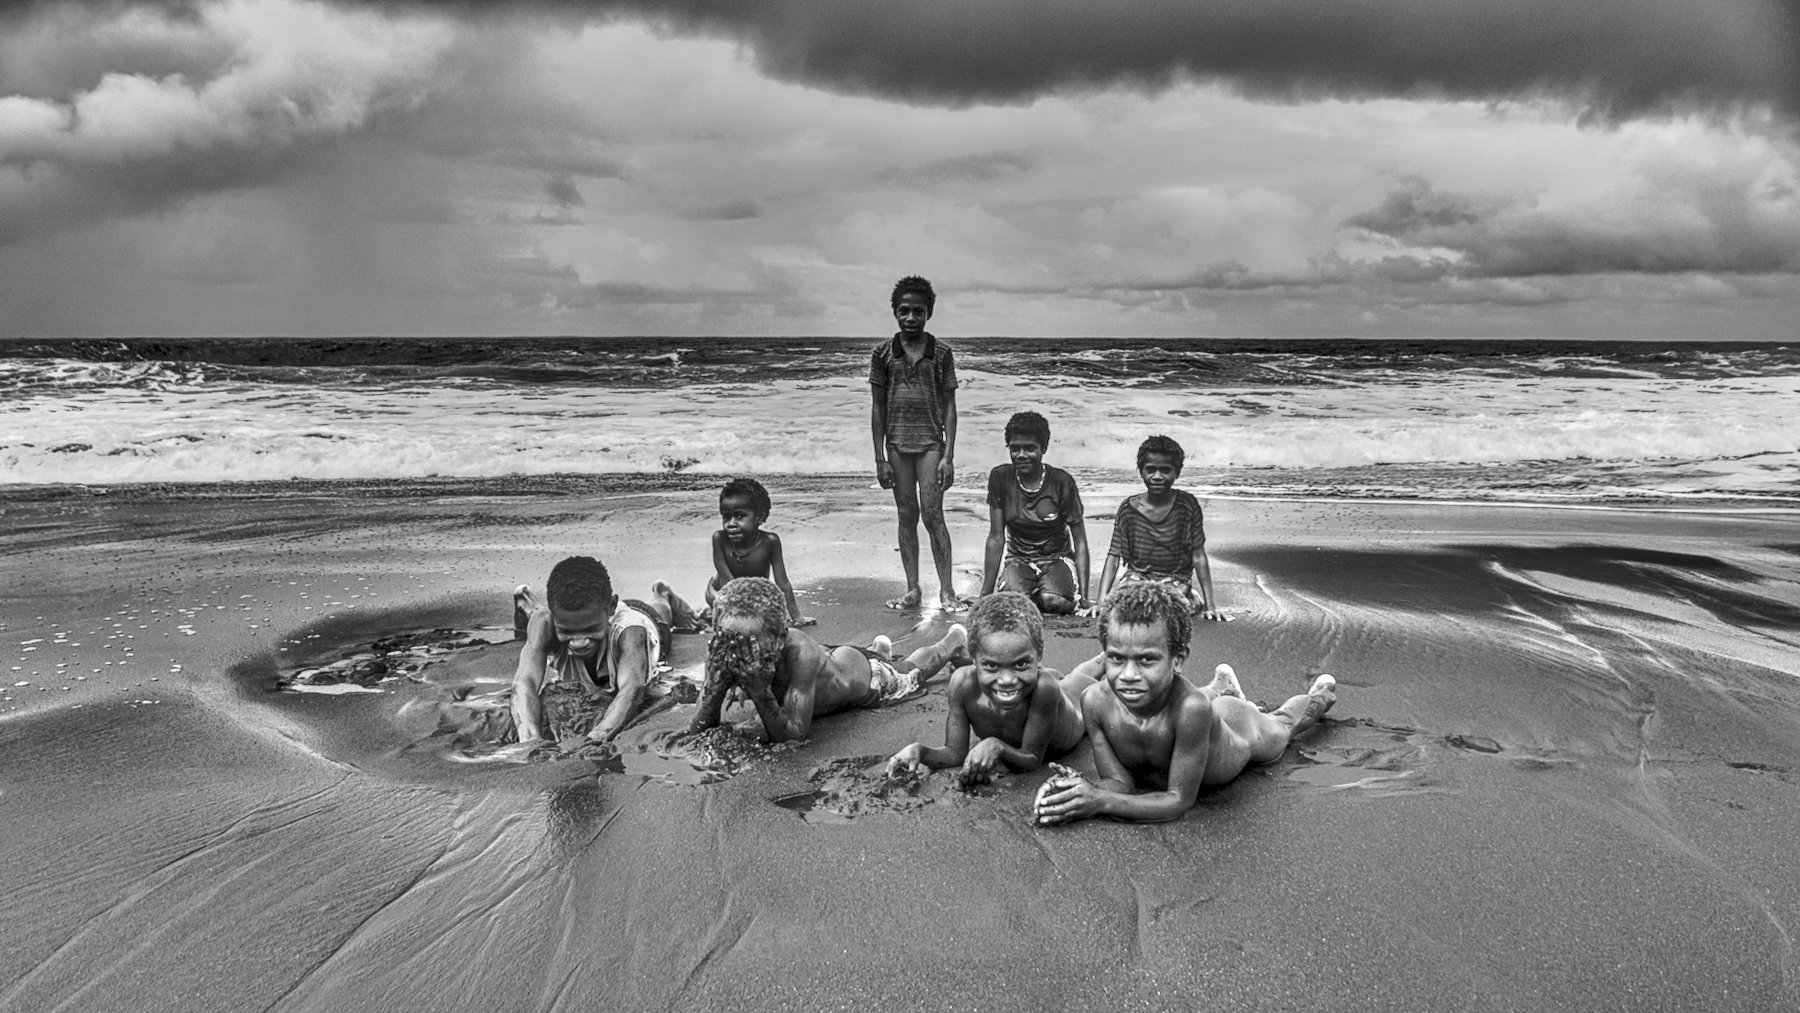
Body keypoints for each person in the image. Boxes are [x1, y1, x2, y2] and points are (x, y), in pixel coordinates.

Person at [1034, 582, 1336, 825]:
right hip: (1181, 709)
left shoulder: (1192, 709)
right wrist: (1079, 790)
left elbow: (1177, 800)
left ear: (1178, 660)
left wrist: (1100, 801)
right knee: (1172, 698)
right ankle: (1220, 686)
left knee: (1282, 726)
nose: (1128, 675)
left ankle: (1320, 695)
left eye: (1147, 660)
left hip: (1240, 730)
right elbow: (1118, 782)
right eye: (1116, 658)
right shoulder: (1095, 702)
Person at [689, 577, 968, 742]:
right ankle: (879, 649)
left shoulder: (802, 656)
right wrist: (714, 684)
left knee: (910, 672)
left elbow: (795, 734)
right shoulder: (725, 648)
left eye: (753, 648)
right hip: (836, 658)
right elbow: (701, 728)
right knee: (869, 659)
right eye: (731, 643)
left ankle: (952, 642)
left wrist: (760, 693)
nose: (740, 654)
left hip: (866, 680)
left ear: (779, 638)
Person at [886, 591, 1096, 785]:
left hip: (1077, 702)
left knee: (1077, 680)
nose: (1006, 679)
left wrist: (997, 746)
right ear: (974, 660)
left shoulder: (1044, 688)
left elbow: (1032, 760)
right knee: (1062, 677)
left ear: (1038, 656)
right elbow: (954, 753)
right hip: (1035, 683)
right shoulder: (962, 684)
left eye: (1021, 663)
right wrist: (920, 751)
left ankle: (1101, 660)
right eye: (992, 666)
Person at [508, 555, 699, 745]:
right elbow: (524, 682)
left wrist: (595, 738)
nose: (579, 642)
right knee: (538, 618)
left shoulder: (632, 632)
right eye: (567, 632)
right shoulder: (546, 621)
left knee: (661, 615)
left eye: (590, 630)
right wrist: (529, 738)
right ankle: (527, 604)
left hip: (645, 617)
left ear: (611, 607)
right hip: (580, 611)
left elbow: (633, 687)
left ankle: (662, 592)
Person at [870, 274, 963, 613]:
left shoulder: (941, 353)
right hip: (896, 446)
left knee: (933, 515)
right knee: (906, 514)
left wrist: (948, 456)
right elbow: (878, 408)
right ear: (895, 312)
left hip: (930, 446)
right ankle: (912, 589)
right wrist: (879, 458)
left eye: (918, 311)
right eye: (904, 311)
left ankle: (948, 591)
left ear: (929, 314)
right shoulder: (882, 354)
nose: (911, 318)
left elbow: (950, 407)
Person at [1092, 434, 1221, 621]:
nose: (1157, 477)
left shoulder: (1187, 506)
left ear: (1176, 472)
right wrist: (1100, 602)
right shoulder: (1128, 509)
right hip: (1138, 577)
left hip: (1175, 578)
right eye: (1150, 470)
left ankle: (1191, 596)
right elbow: (1113, 557)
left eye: (1165, 470)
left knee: (1166, 611)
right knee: (1121, 607)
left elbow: (1198, 556)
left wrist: (1211, 607)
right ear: (1141, 471)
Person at [979, 410, 1090, 614]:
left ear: (1043, 448)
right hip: (1018, 559)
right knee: (1014, 605)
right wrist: (985, 595)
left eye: (1030, 448)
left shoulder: (1062, 482)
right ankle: (1024, 588)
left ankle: (1048, 588)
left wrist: (1084, 598)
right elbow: (996, 538)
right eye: (1015, 448)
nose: (1021, 455)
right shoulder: (1000, 477)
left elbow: (1080, 541)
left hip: (1057, 558)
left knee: (1055, 603)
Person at [705, 477, 815, 626]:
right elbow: (728, 583)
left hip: (753, 594)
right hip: (720, 591)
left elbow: (782, 583)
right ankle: (712, 612)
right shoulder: (720, 539)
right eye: (726, 517)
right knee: (738, 619)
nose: (731, 524)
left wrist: (797, 617)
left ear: (760, 517)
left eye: (739, 516)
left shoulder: (770, 542)